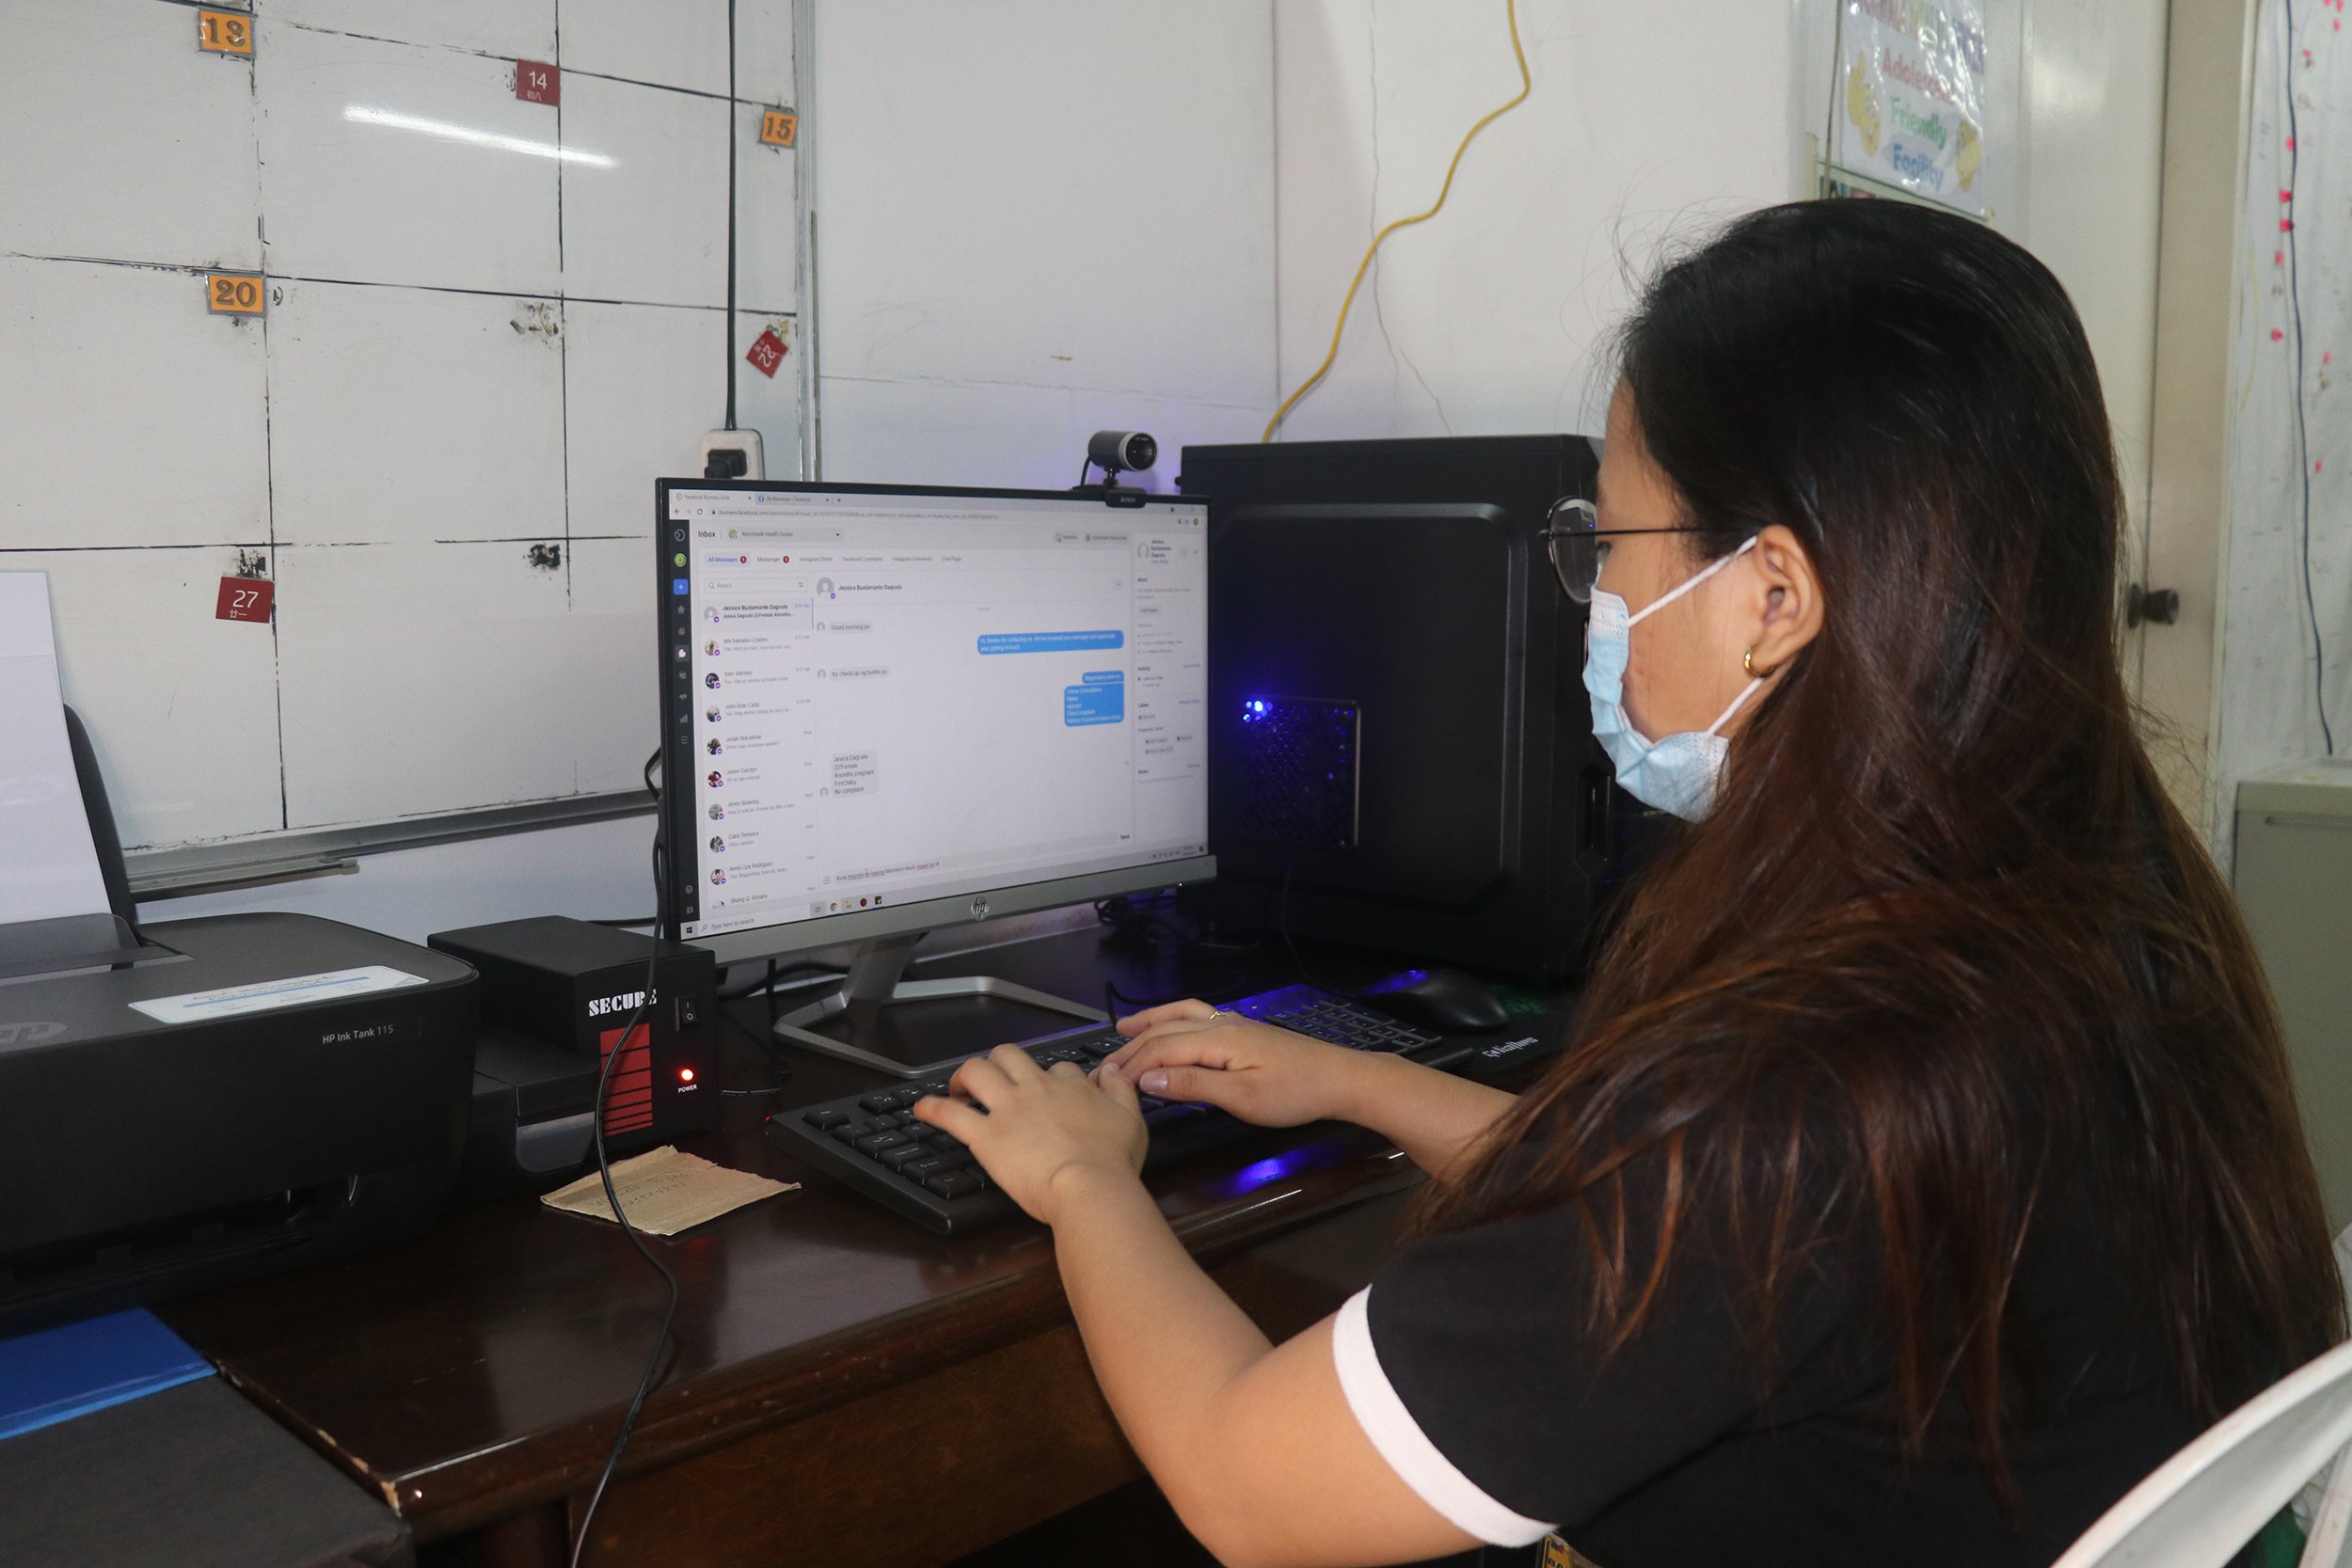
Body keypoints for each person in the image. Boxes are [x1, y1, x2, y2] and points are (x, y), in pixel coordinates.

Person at [911, 199, 2345, 1567]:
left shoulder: (1809, 1072)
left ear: (1773, 595)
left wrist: (1083, 1179)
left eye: (1605, 545)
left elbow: (1243, 1482)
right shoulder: (2102, 909)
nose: (1592, 598)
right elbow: (1694, 1229)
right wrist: (1361, 1083)